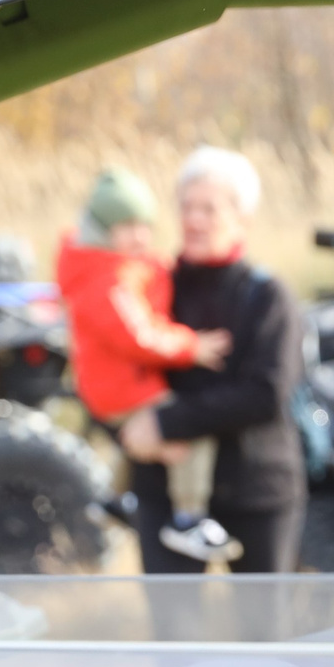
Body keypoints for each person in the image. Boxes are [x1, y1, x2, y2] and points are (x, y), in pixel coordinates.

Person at [118, 148, 307, 573]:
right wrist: (125, 430)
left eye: (209, 208)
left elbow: (266, 394)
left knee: (264, 632)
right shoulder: (149, 289)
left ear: (243, 219)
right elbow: (108, 367)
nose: (194, 219)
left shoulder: (268, 296)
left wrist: (165, 424)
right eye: (186, 206)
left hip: (255, 490)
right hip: (164, 490)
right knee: (176, 632)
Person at [54, 168, 240, 565]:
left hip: (111, 384)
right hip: (123, 386)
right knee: (185, 432)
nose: (140, 237)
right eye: (127, 228)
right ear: (103, 230)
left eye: (145, 227)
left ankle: (115, 500)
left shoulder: (102, 267)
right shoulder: (107, 280)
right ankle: (189, 516)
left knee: (139, 435)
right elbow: (137, 335)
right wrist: (190, 346)